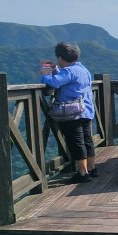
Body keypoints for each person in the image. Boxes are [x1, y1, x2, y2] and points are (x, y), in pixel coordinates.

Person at [40, 42, 97, 183]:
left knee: (76, 142)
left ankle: (83, 173)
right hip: (86, 110)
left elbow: (55, 83)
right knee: (87, 140)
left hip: (73, 112)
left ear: (60, 58)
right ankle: (91, 168)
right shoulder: (83, 70)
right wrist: (57, 70)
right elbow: (69, 80)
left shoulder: (70, 71)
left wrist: (45, 74)